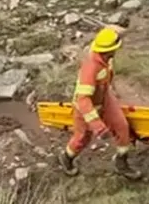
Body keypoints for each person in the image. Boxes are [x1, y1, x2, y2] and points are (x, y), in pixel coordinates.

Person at [58, 26, 142, 180]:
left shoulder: (105, 58)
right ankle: (67, 158)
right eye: (115, 48)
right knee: (82, 138)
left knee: (122, 126)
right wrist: (97, 125)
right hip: (86, 108)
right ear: (108, 50)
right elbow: (83, 100)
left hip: (104, 97)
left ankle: (121, 163)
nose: (118, 50)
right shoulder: (91, 68)